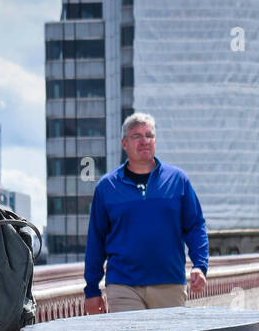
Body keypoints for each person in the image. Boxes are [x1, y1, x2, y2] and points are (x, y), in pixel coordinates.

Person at [83, 113, 208, 314]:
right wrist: (91, 290)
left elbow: (195, 226)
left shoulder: (177, 180)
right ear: (124, 143)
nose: (144, 141)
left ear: (155, 141)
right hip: (123, 286)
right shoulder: (107, 186)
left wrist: (200, 266)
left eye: (149, 135)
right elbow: (96, 240)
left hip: (169, 284)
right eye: (136, 136)